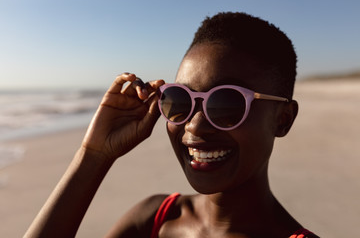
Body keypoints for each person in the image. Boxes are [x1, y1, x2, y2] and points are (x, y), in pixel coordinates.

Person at [25, 12, 319, 238]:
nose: (196, 125)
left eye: (227, 103)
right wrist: (93, 156)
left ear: (283, 119)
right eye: (180, 100)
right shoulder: (154, 220)